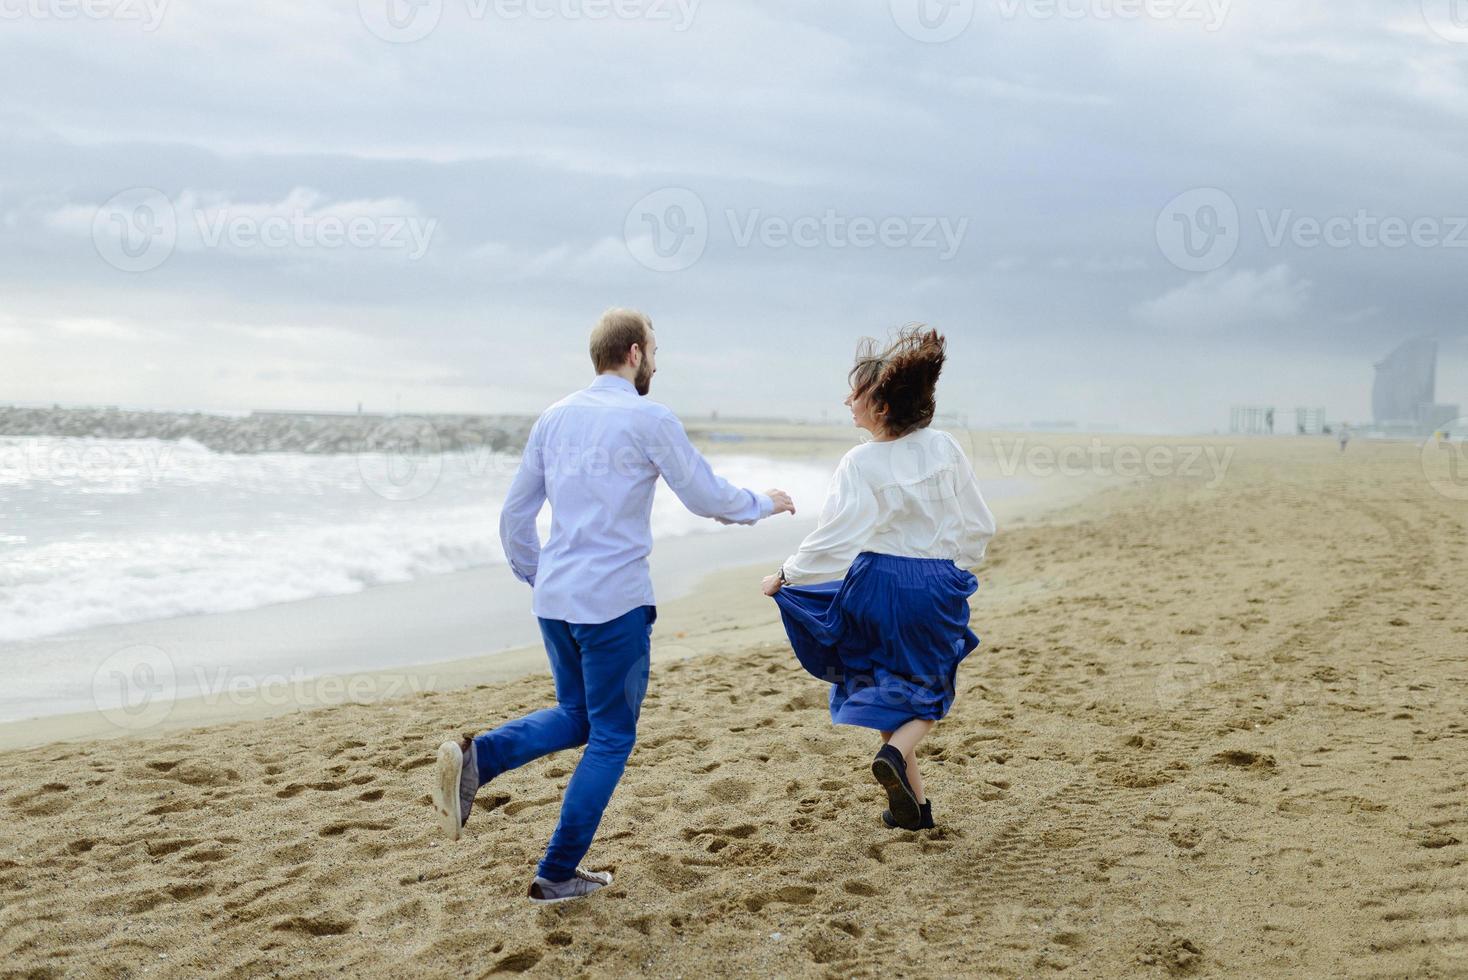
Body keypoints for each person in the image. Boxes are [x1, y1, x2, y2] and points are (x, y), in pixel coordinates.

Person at [431, 309, 796, 904]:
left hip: (556, 599)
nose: (658, 359)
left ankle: (480, 758)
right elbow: (706, 497)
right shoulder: (649, 417)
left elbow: (514, 515)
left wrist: (537, 573)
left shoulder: (554, 417)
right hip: (612, 606)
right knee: (610, 737)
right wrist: (766, 502)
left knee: (578, 715)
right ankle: (556, 873)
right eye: (654, 348)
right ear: (632, 353)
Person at [763, 327, 994, 832]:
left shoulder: (858, 463)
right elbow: (978, 524)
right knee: (930, 688)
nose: (847, 402)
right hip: (932, 582)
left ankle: (912, 809)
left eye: (857, 394)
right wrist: (955, 566)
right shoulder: (944, 448)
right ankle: (897, 754)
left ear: (884, 405)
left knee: (889, 685)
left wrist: (788, 574)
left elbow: (837, 534)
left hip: (873, 583)